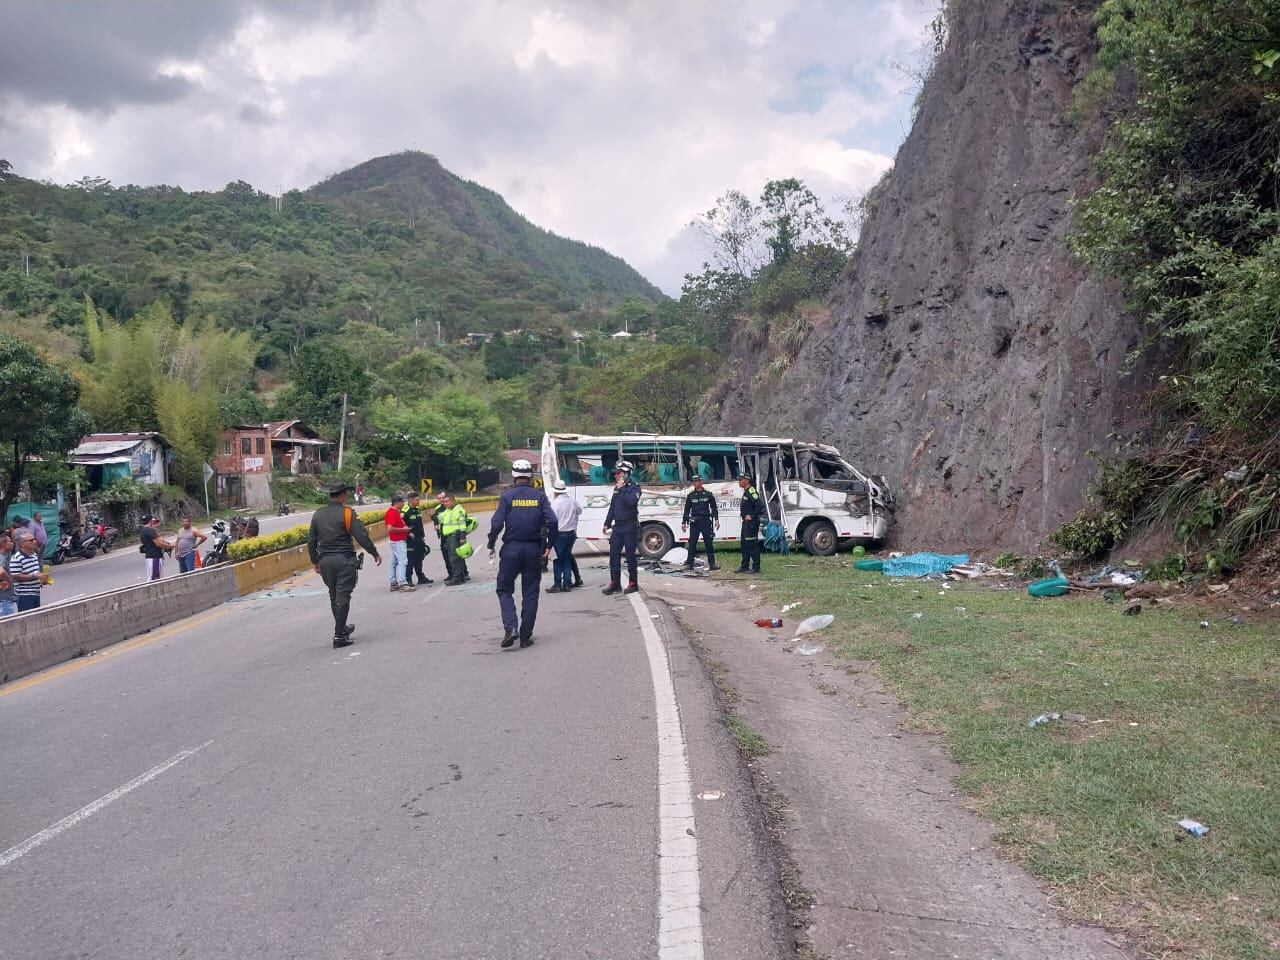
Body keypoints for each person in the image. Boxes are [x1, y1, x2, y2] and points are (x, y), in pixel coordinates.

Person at [487, 458, 558, 648]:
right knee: (531, 593)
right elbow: (552, 521)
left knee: (504, 589)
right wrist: (549, 545)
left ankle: (511, 628)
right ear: (530, 476)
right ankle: (526, 637)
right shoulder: (540, 497)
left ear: (514, 476)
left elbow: (496, 524)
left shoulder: (507, 497)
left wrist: (491, 543)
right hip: (533, 550)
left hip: (511, 549)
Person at [308, 481, 382, 648]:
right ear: (342, 495)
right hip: (344, 560)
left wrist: (315, 561)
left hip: (325, 562)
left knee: (334, 595)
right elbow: (361, 536)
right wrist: (374, 552)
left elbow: (311, 541)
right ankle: (339, 636)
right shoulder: (348, 513)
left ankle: (342, 629)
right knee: (343, 596)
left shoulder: (318, 514)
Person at [601, 460, 642, 595]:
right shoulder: (616, 489)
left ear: (625, 474)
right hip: (617, 527)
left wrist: (622, 489)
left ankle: (633, 583)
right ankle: (615, 582)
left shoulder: (634, 488)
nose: (615, 476)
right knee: (613, 555)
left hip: (630, 526)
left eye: (617, 473)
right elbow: (613, 506)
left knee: (630, 556)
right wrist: (607, 523)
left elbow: (631, 503)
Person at [547, 481, 582, 593]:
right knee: (567, 558)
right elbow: (579, 511)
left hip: (559, 534)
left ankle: (558, 584)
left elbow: (552, 521)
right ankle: (567, 583)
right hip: (571, 534)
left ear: (556, 492)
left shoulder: (555, 504)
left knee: (557, 560)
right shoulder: (573, 502)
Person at [436, 492, 477, 586]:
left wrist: (462, 538)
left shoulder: (458, 510)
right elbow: (440, 518)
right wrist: (433, 516)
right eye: (444, 502)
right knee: (455, 557)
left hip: (455, 536)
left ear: (453, 501)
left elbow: (462, 525)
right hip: (449, 537)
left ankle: (457, 578)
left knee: (454, 558)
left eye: (447, 502)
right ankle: (461, 577)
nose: (445, 503)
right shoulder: (448, 510)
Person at [682, 475, 720, 571]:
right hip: (695, 522)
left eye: (697, 481)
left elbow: (714, 508)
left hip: (705, 521)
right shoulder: (690, 496)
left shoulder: (708, 494)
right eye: (694, 481)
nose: (695, 483)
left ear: (700, 482)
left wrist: (716, 519)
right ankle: (689, 564)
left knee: (708, 543)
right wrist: (684, 522)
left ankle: (712, 564)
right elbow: (686, 510)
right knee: (692, 543)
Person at [10, 530, 49, 612]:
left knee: (36, 617)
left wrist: (42, 578)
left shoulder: (34, 555)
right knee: (27, 620)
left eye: (34, 539)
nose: (34, 541)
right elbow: (15, 576)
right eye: (31, 540)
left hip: (35, 592)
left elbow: (34, 572)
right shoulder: (17, 558)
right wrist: (35, 576)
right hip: (24, 595)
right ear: (22, 544)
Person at [736, 473, 765, 574]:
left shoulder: (751, 491)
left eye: (740, 480)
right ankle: (744, 566)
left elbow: (760, 506)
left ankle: (756, 568)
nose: (739, 482)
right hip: (746, 523)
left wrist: (752, 515)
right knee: (744, 544)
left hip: (751, 523)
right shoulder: (746, 492)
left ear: (746, 481)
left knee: (752, 544)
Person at [403, 492, 433, 587]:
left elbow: (420, 525)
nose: (419, 501)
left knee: (420, 558)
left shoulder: (417, 509)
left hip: (419, 538)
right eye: (417, 500)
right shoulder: (405, 511)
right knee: (411, 559)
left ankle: (421, 577)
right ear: (410, 500)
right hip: (410, 540)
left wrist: (422, 537)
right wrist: (408, 532)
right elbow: (400, 523)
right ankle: (408, 579)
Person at [385, 494, 414, 592]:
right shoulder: (392, 513)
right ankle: (403, 583)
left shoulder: (395, 512)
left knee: (393, 562)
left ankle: (393, 582)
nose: (403, 504)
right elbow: (390, 528)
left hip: (396, 540)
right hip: (398, 541)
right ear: (397, 503)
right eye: (402, 502)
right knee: (403, 561)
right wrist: (404, 530)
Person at [140, 515, 173, 581]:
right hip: (155, 557)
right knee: (156, 579)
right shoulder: (150, 530)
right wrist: (170, 546)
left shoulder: (143, 530)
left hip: (150, 556)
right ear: (151, 521)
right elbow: (159, 544)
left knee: (152, 577)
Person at [0, 533, 17, 617]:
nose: (12, 543)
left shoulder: (8, 555)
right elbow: (1, 572)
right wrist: (9, 580)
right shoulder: (1, 557)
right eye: (9, 541)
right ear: (3, 544)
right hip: (4, 599)